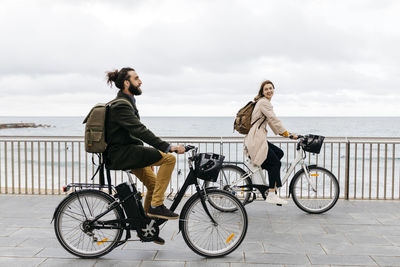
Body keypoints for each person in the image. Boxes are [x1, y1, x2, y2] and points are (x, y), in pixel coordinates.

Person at [104, 67, 186, 225]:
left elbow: (132, 134)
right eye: (136, 78)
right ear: (127, 83)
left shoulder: (127, 102)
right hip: (123, 154)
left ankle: (146, 226)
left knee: (154, 185)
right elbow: (140, 130)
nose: (140, 81)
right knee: (169, 159)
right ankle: (156, 206)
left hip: (128, 152)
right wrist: (168, 147)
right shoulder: (122, 105)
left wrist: (147, 157)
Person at [244, 80, 298, 205]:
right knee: (275, 164)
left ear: (274, 89)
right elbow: (274, 119)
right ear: (262, 92)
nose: (269, 91)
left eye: (270, 88)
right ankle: (272, 194)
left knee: (279, 153)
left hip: (257, 137)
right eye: (266, 89)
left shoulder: (263, 103)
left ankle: (266, 183)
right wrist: (287, 134)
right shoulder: (264, 102)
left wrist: (286, 135)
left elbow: (271, 123)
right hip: (256, 139)